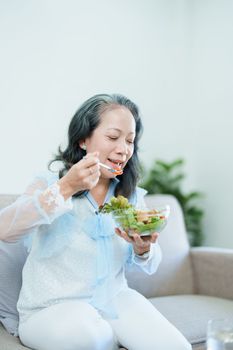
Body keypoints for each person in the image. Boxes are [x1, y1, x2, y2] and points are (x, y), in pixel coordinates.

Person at [0, 94, 191, 350]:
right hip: (49, 308)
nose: (124, 149)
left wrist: (143, 248)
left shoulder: (129, 195)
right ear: (83, 139)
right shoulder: (48, 183)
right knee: (93, 338)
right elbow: (5, 229)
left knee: (175, 346)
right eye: (113, 137)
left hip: (114, 300)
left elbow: (151, 262)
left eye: (130, 141)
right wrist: (66, 187)